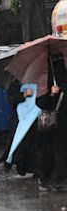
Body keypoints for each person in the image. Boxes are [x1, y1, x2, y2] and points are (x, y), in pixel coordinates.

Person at [35, 57, 67, 191]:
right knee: (57, 153)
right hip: (56, 126)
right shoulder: (48, 81)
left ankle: (56, 180)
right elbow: (42, 102)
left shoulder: (48, 79)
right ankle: (56, 180)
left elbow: (41, 102)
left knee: (56, 153)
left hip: (58, 126)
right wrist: (52, 95)